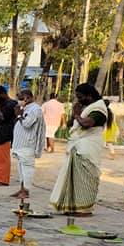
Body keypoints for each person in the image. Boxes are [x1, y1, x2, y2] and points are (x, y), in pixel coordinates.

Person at [49, 83, 108, 215]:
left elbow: (87, 123)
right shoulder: (87, 107)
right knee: (74, 179)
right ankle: (72, 206)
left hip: (88, 147)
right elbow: (73, 124)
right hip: (78, 146)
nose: (78, 100)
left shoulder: (99, 109)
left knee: (85, 179)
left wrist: (76, 114)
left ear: (89, 95)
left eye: (80, 97)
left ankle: (84, 209)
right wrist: (74, 115)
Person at [10, 89, 45, 199]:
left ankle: (26, 191)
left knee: (27, 168)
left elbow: (27, 124)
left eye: (20, 98)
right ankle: (21, 189)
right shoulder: (26, 108)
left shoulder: (35, 109)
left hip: (28, 144)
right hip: (21, 144)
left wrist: (19, 115)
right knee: (21, 168)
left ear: (27, 98)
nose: (18, 101)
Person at [0, 86, 17, 186]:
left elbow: (3, 117)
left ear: (2, 93)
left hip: (6, 132)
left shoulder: (12, 104)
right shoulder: (1, 103)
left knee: (3, 158)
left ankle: (3, 180)